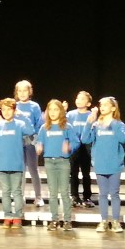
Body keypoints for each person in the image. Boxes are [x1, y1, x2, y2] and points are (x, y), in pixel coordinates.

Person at [81, 96, 125, 233]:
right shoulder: (96, 125)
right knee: (102, 194)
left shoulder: (119, 124)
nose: (102, 107)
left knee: (114, 194)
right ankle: (103, 221)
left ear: (113, 108)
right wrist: (89, 123)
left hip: (114, 164)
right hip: (100, 164)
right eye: (101, 105)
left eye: (105, 105)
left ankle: (115, 221)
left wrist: (112, 123)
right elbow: (85, 139)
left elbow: (123, 139)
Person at [0, 98, 35, 229]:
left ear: (14, 110)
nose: (6, 112)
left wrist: (22, 116)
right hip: (2, 164)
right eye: (4, 109)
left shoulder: (19, 124)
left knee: (17, 192)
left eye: (9, 109)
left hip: (16, 164)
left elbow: (30, 130)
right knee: (6, 192)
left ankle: (18, 217)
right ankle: (7, 216)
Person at [35, 99, 81, 231]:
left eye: (56, 109)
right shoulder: (44, 128)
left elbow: (76, 142)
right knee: (53, 193)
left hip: (63, 162)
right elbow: (39, 141)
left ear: (61, 111)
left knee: (64, 192)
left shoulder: (66, 127)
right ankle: (54, 219)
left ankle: (67, 220)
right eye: (50, 110)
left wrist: (69, 147)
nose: (53, 112)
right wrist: (38, 147)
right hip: (49, 162)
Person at [14, 79, 45, 206]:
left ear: (29, 92)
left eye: (24, 90)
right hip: (17, 141)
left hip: (31, 140)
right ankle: (19, 197)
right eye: (19, 91)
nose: (22, 93)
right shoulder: (14, 105)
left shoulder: (34, 106)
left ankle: (38, 197)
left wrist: (37, 141)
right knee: (20, 169)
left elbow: (39, 124)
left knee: (33, 169)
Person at [65, 91, 95, 208]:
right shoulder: (70, 114)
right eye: (78, 98)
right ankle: (74, 196)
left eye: (82, 99)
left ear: (88, 103)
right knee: (73, 173)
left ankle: (87, 197)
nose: (78, 100)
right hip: (74, 147)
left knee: (86, 173)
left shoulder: (90, 115)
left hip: (86, 147)